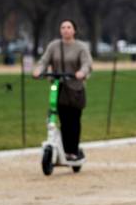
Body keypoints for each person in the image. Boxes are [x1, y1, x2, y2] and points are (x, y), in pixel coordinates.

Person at [32, 19, 92, 160]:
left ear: (74, 30)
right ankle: (65, 150)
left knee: (74, 120)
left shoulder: (80, 47)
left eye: (69, 27)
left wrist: (82, 73)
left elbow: (87, 64)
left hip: (75, 89)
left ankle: (73, 150)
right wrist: (38, 70)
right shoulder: (54, 46)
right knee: (63, 120)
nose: (65, 30)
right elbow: (44, 61)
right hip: (59, 87)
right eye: (63, 27)